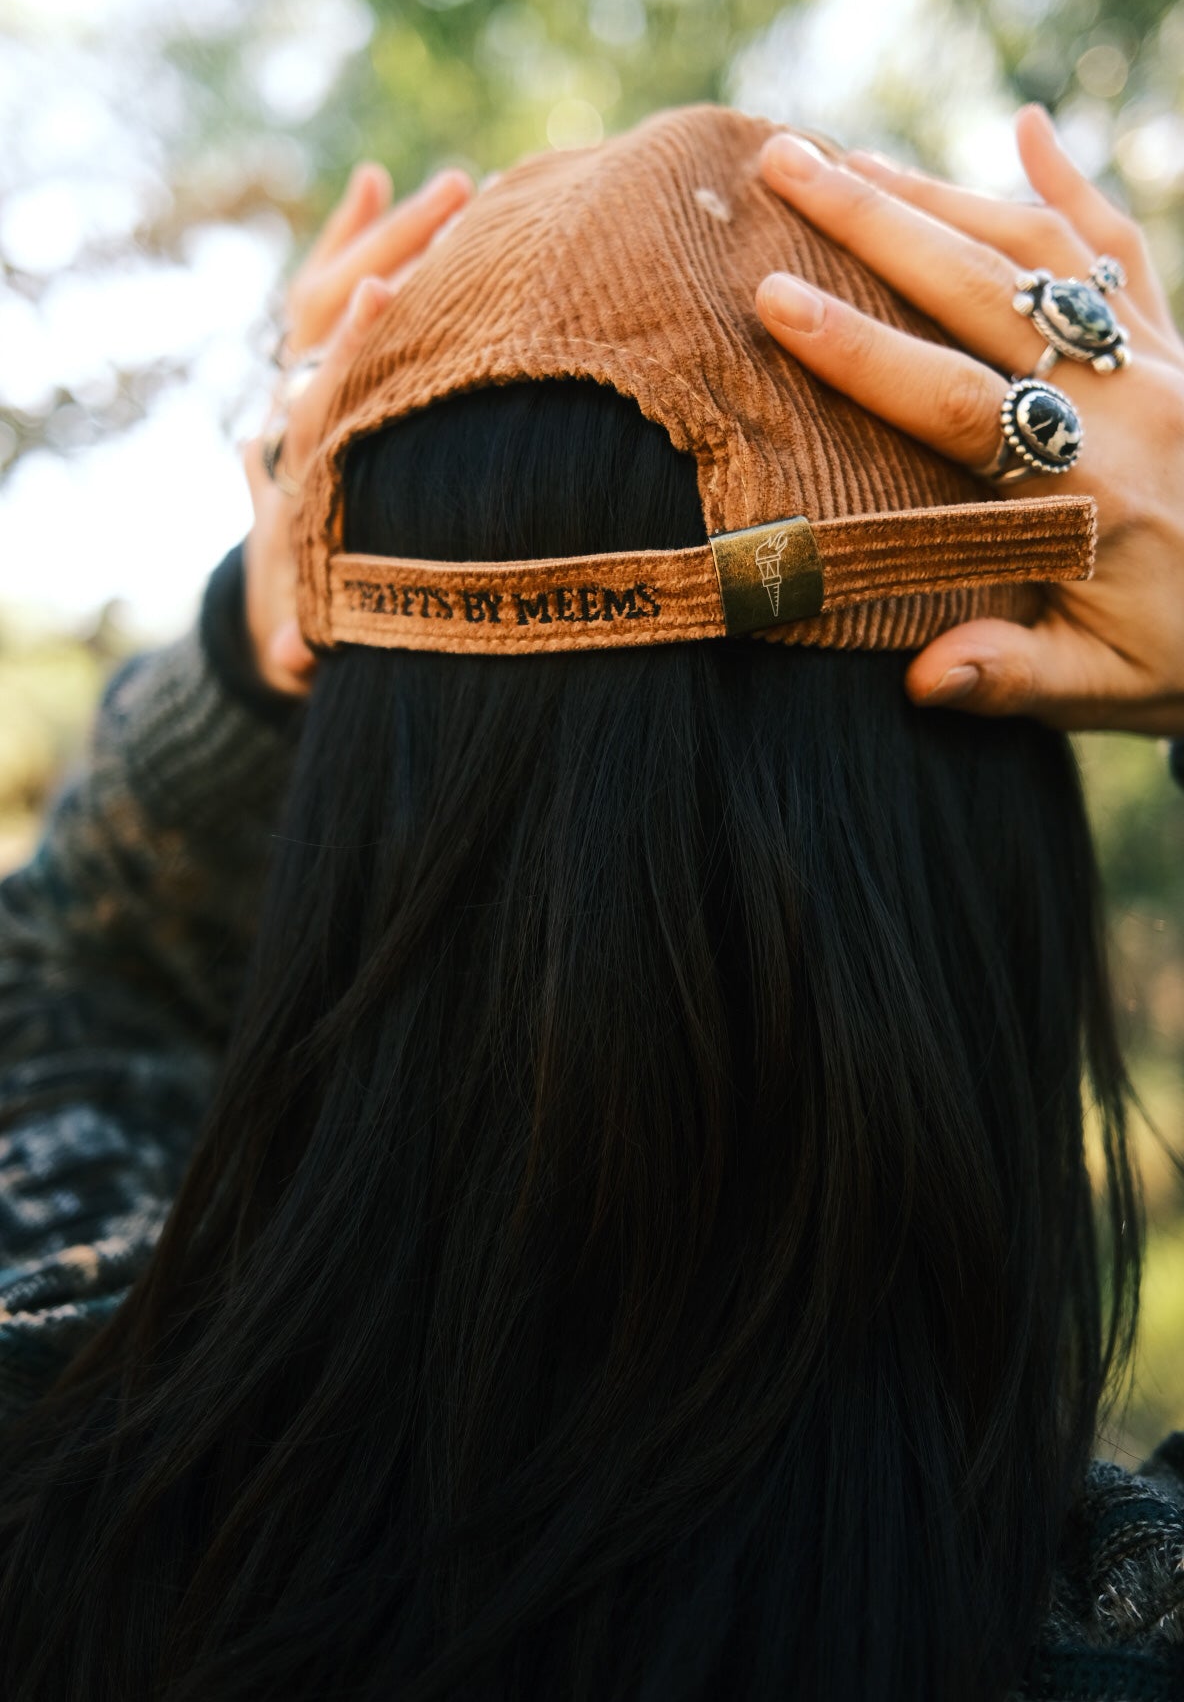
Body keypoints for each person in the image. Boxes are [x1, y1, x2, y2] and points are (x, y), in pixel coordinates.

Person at [0, 103, 1179, 1702]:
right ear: (980, 881)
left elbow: (74, 978)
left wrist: (257, 629)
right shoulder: (1125, 1629)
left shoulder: (60, 1458)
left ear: (353, 804)